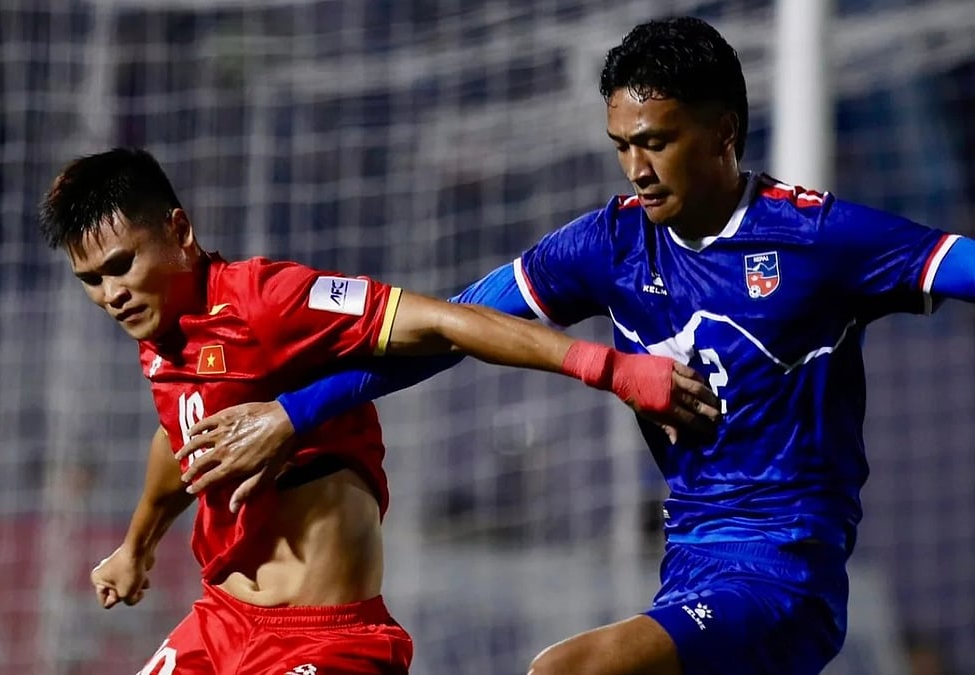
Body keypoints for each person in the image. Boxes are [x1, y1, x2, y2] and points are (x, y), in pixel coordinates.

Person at [172, 16, 975, 675]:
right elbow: (447, 328)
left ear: (723, 132)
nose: (637, 168)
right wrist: (293, 412)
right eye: (622, 144)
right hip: (688, 566)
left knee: (566, 670)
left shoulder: (818, 239)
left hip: (782, 568)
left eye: (656, 141)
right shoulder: (608, 246)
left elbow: (958, 262)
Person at [38, 148, 720, 675]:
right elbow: (180, 436)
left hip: (325, 639)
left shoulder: (268, 301)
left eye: (121, 265)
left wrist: (610, 367)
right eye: (91, 280)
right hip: (222, 622)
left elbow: (448, 323)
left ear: (179, 230)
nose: (110, 294)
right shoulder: (163, 342)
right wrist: (137, 546)